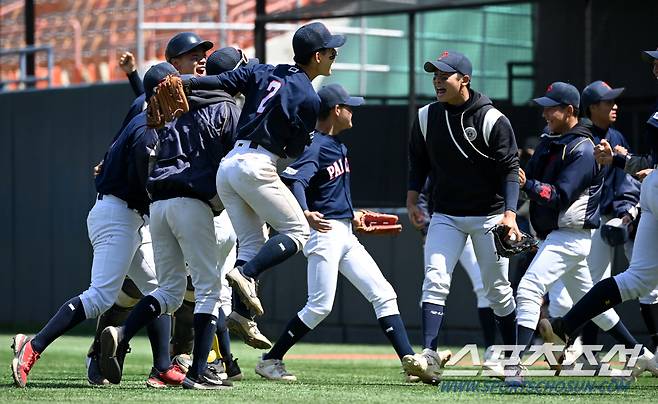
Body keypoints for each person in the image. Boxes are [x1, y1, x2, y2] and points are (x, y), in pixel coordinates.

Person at [253, 83, 444, 385]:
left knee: (383, 294)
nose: (353, 111)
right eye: (349, 106)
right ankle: (271, 359)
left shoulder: (339, 146)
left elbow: (326, 189)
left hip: (344, 232)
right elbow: (296, 180)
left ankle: (410, 363)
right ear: (336, 111)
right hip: (324, 233)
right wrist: (303, 212)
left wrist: (352, 216)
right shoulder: (315, 145)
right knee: (319, 306)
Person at [11, 65, 185, 389]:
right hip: (118, 215)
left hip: (128, 214)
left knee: (159, 287)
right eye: (173, 86)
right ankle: (32, 347)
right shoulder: (147, 130)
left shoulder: (147, 121)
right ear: (159, 91)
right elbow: (147, 188)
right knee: (100, 298)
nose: (180, 91)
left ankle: (162, 366)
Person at [180, 22, 346, 318]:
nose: (335, 53)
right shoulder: (309, 98)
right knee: (297, 232)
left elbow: (223, 81)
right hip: (257, 165)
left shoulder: (264, 70)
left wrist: (186, 82)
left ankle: (240, 315)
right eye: (331, 49)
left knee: (253, 244)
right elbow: (295, 151)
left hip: (228, 167)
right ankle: (247, 274)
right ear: (317, 55)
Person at [97, 59, 240, 390]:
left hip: (158, 206)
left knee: (169, 291)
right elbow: (234, 157)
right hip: (191, 202)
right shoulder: (221, 108)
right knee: (208, 289)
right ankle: (198, 371)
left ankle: (121, 333)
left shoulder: (159, 119)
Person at [510, 81, 650, 385]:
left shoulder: (583, 148)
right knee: (595, 305)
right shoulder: (551, 140)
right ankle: (644, 357)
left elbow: (560, 195)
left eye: (552, 106)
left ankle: (515, 366)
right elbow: (530, 178)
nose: (545, 112)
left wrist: (526, 186)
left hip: (571, 235)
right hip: (557, 235)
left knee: (529, 288)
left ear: (570, 110)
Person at [540, 48, 658, 379]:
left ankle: (565, 326)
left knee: (637, 280)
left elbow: (648, 165)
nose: (654, 67)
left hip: (648, 193)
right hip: (591, 223)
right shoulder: (580, 137)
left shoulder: (632, 126)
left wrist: (620, 163)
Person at [406, 50, 521, 369]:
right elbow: (418, 162)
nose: (438, 80)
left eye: (445, 75)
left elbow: (511, 168)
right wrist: (413, 198)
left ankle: (511, 360)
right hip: (446, 215)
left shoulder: (492, 119)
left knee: (498, 290)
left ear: (465, 80)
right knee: (435, 279)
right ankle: (429, 354)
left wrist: (510, 214)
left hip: (489, 215)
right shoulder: (426, 116)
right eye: (435, 75)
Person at [415, 178, 499, 361]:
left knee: (484, 287)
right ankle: (427, 352)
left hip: (475, 226)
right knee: (433, 286)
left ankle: (491, 350)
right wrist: (427, 228)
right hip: (444, 228)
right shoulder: (442, 158)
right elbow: (421, 195)